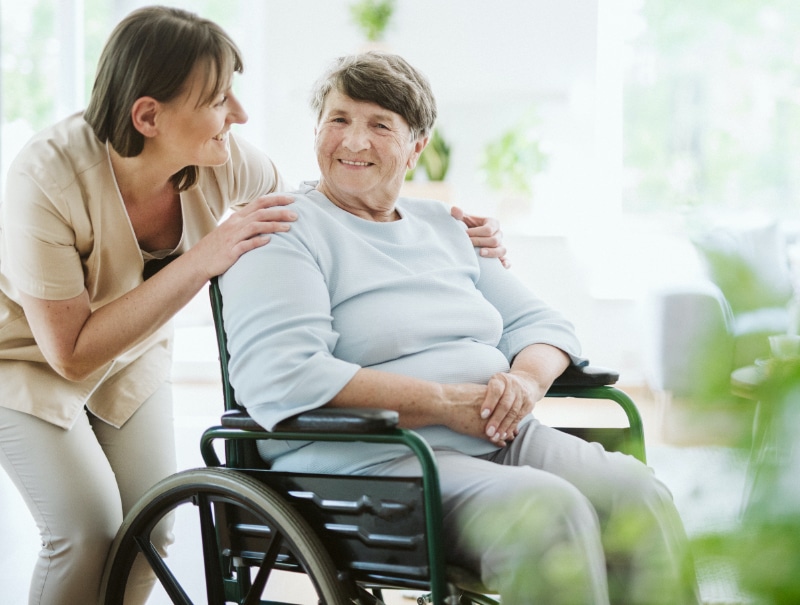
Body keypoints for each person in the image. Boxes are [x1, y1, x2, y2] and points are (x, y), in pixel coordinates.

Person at [0, 8, 506, 605]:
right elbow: (71, 353)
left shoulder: (227, 159)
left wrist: (431, 231)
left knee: (151, 526)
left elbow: (318, 215)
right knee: (84, 533)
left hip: (132, 357)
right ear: (149, 116)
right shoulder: (45, 180)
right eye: (218, 99)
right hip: (28, 360)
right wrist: (203, 258)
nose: (238, 114)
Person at [219, 51, 702, 604]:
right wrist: (448, 404)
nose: (353, 142)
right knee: (546, 512)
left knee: (637, 493)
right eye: (339, 119)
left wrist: (522, 384)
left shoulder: (444, 228)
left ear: (416, 148)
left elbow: (542, 324)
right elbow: (284, 376)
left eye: (380, 125)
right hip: (371, 460)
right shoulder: (284, 231)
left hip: (494, 437)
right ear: (317, 129)